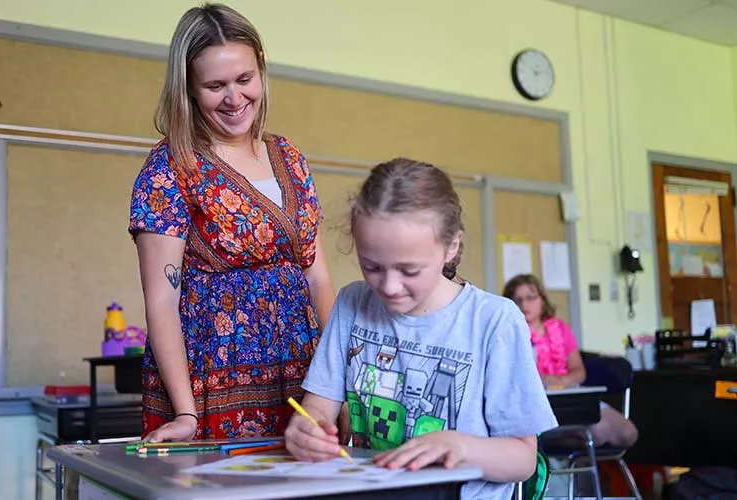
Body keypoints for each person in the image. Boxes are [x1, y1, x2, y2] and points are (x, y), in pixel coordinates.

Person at [284, 158, 558, 499]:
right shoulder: (352, 303)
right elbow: (317, 407)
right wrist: (307, 429)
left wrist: (460, 446)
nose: (389, 286)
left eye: (409, 270)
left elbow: (523, 459)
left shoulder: (494, 320)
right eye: (371, 266)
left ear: (452, 246)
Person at [128, 3, 336, 442]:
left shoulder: (290, 157)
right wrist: (186, 414)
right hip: (214, 378)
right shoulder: (172, 167)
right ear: (187, 87)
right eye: (215, 85)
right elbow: (162, 301)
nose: (234, 98)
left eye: (244, 80)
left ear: (261, 69)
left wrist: (340, 383)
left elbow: (317, 277)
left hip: (303, 376)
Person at [503, 274, 638, 448]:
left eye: (530, 298)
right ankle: (565, 459)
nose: (524, 304)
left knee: (628, 432)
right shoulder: (509, 334)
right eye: (517, 299)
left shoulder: (560, 328)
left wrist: (560, 381)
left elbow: (579, 372)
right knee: (598, 431)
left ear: (542, 300)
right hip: (535, 405)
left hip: (571, 396)